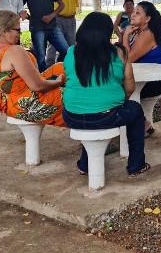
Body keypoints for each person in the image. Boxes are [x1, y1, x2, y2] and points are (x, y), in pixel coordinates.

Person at [62, 12, 149, 176]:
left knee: (89, 114)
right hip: (106, 116)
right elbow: (129, 88)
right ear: (107, 32)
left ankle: (84, 165)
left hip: (71, 116)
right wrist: (114, 104)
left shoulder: (71, 52)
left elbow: (69, 79)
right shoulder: (120, 53)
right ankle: (136, 165)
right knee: (135, 110)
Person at [0, 10, 65, 125]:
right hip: (30, 104)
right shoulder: (14, 51)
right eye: (18, 30)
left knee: (61, 68)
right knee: (75, 94)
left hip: (11, 105)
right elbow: (37, 86)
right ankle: (89, 130)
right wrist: (58, 82)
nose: (20, 34)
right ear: (5, 31)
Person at [122, 1, 161, 136]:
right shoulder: (138, 32)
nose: (133, 15)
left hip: (153, 82)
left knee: (116, 92)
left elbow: (128, 59)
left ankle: (142, 123)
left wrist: (125, 36)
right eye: (133, 12)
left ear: (147, 19)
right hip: (143, 78)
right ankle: (140, 123)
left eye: (138, 13)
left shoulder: (147, 34)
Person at [20, 0, 68, 72]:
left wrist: (51, 16)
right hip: (37, 29)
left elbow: (61, 5)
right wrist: (25, 14)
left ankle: (56, 71)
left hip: (53, 27)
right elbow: (19, 6)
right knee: (41, 58)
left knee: (65, 50)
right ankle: (43, 80)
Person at [47, 0, 79, 66]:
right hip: (57, 19)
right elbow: (48, 3)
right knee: (53, 44)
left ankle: (69, 66)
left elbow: (75, 2)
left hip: (71, 19)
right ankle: (49, 67)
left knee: (72, 44)